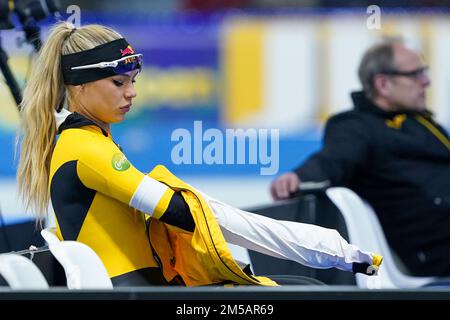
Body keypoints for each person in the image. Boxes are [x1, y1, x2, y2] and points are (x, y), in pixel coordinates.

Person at [16, 22, 381, 287]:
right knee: (306, 289)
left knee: (299, 288)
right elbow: (183, 214)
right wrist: (325, 249)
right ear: (79, 85)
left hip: (148, 286)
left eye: (134, 81)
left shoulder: (88, 141)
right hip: (136, 292)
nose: (131, 93)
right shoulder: (87, 149)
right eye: (118, 82)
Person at [271, 39, 450, 277]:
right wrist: (298, 177)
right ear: (383, 83)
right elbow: (332, 160)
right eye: (415, 74)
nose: (426, 81)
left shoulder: (421, 121)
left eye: (424, 72)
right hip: (433, 251)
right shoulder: (356, 127)